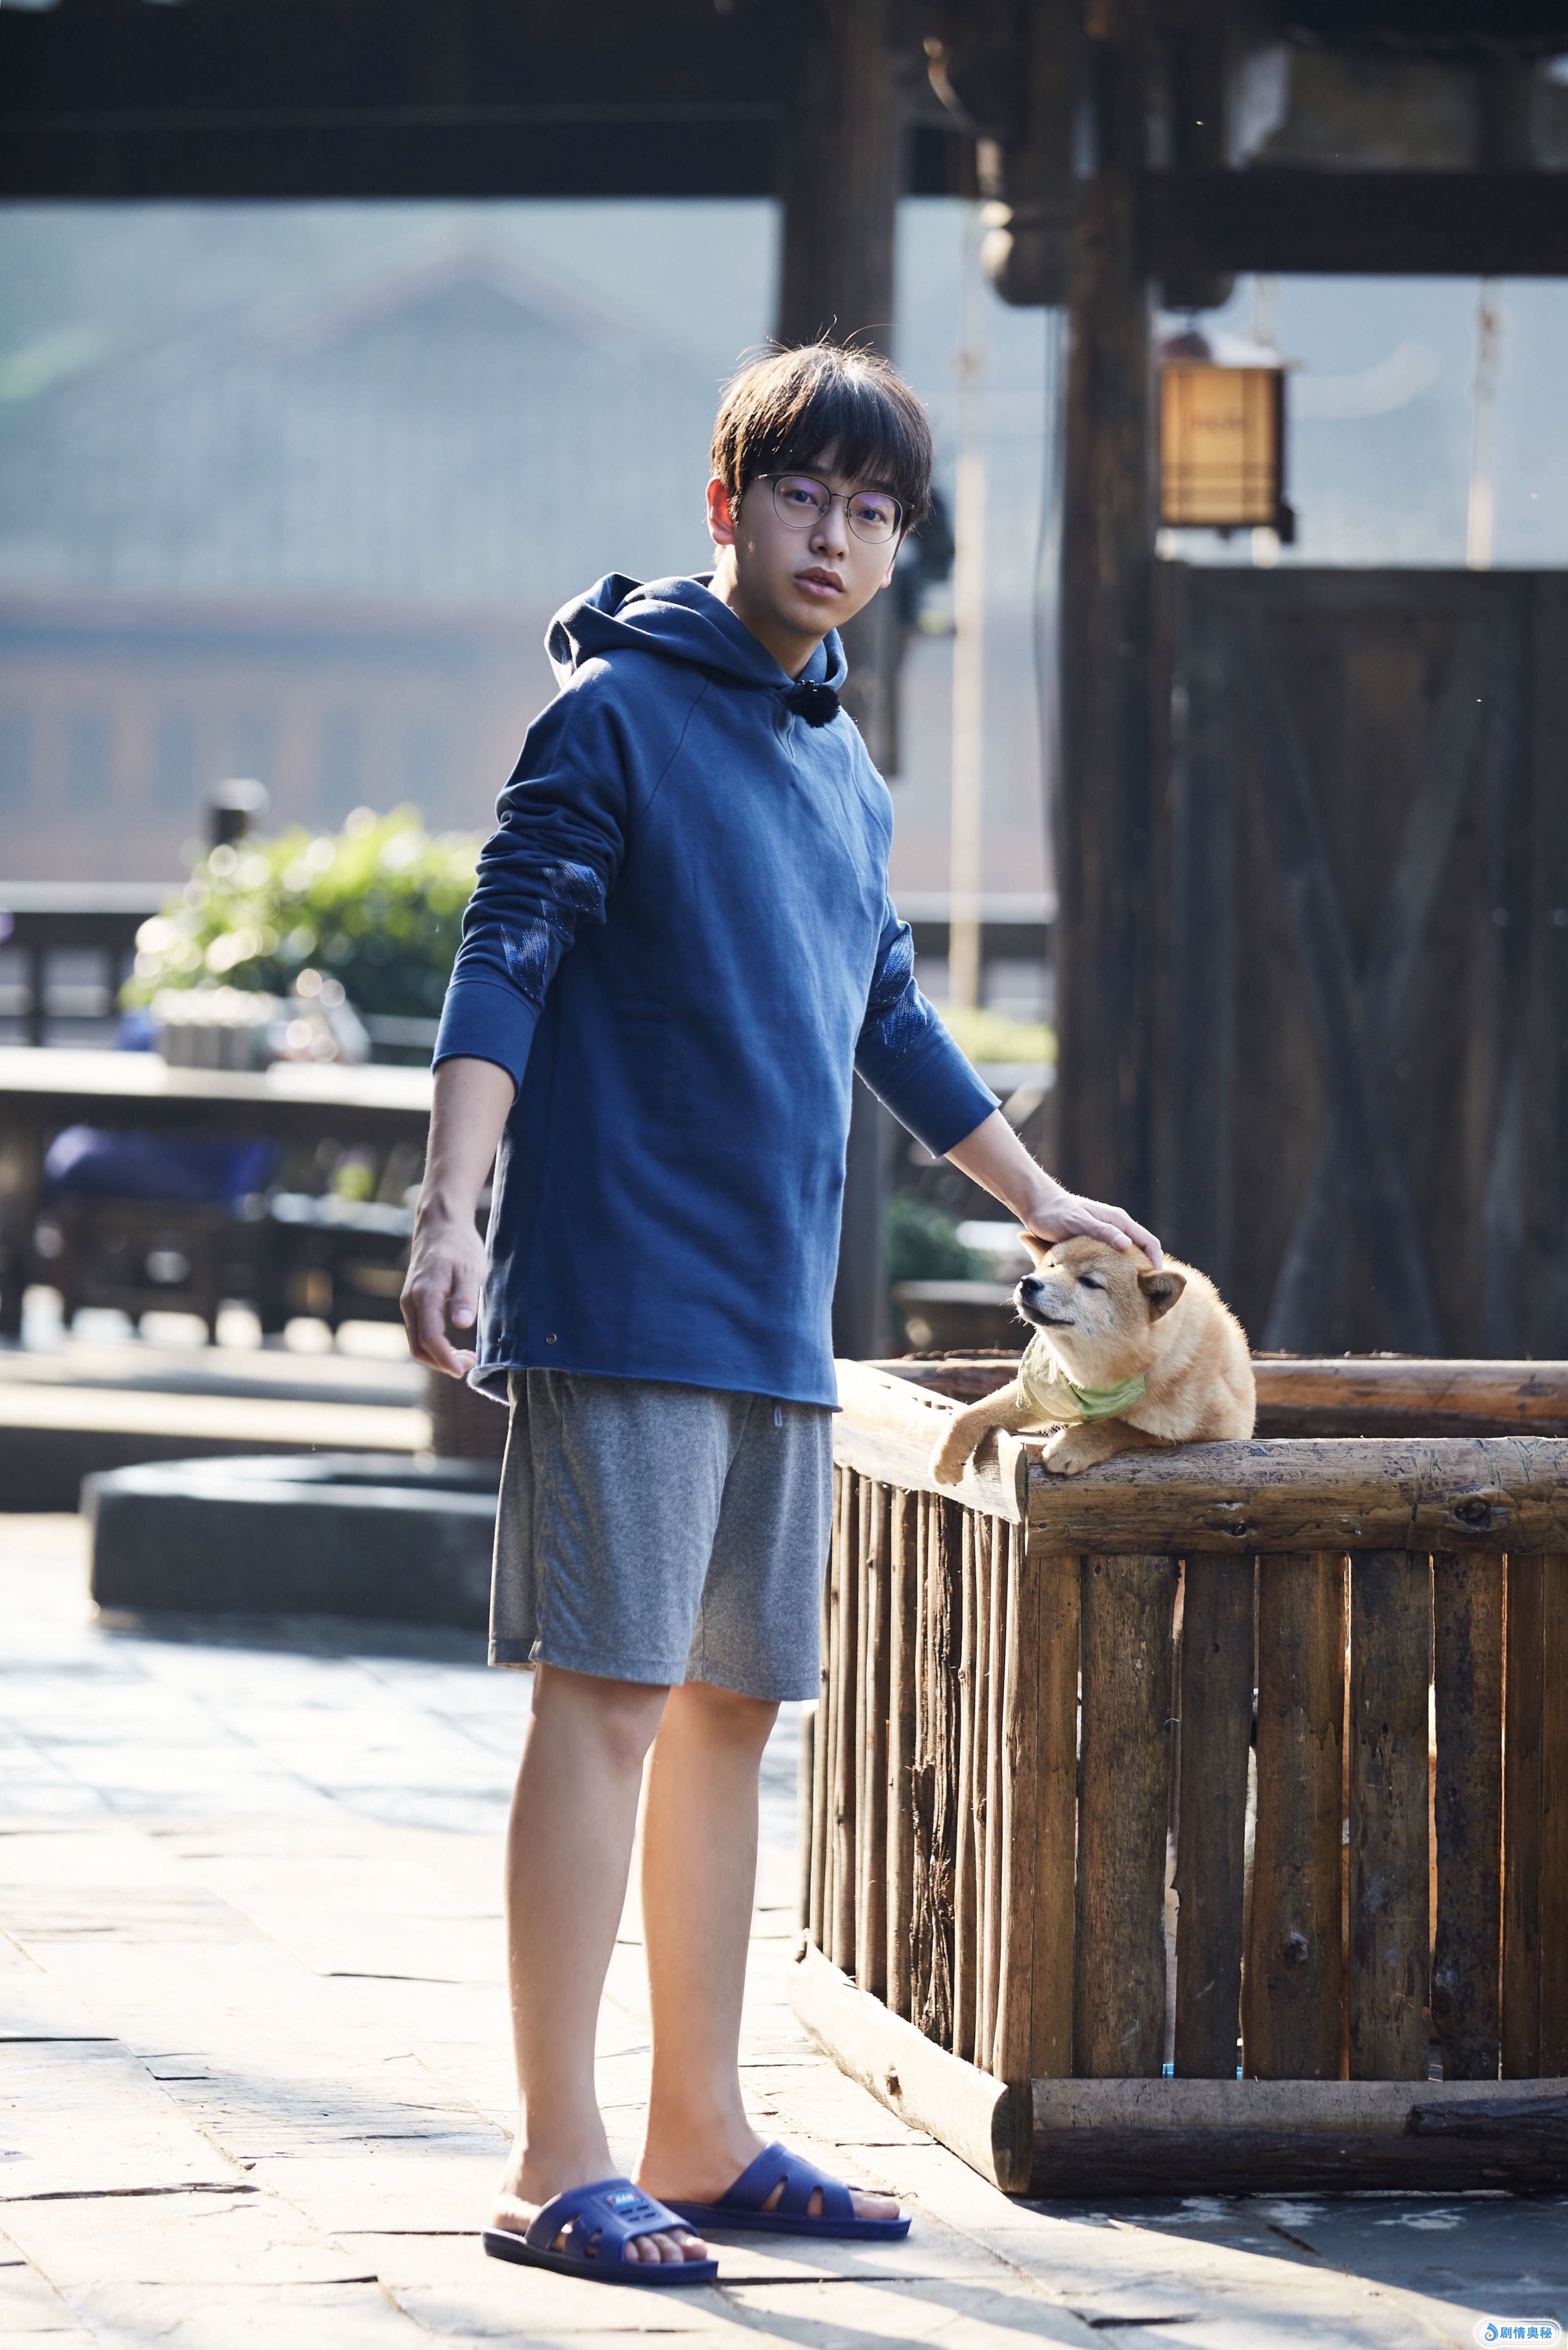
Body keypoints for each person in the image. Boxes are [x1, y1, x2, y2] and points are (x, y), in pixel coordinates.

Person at [401, 341, 1162, 2289]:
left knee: (730, 1715)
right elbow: (508, 949)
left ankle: (699, 2128)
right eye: (802, 494)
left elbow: (885, 1009)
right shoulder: (612, 713)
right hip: (621, 1288)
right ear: (725, 507)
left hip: (767, 1305)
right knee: (607, 1700)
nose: (835, 534)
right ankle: (552, 2154)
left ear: (898, 545)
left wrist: (1037, 1193)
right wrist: (449, 1209)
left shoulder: (841, 764)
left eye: (872, 509)